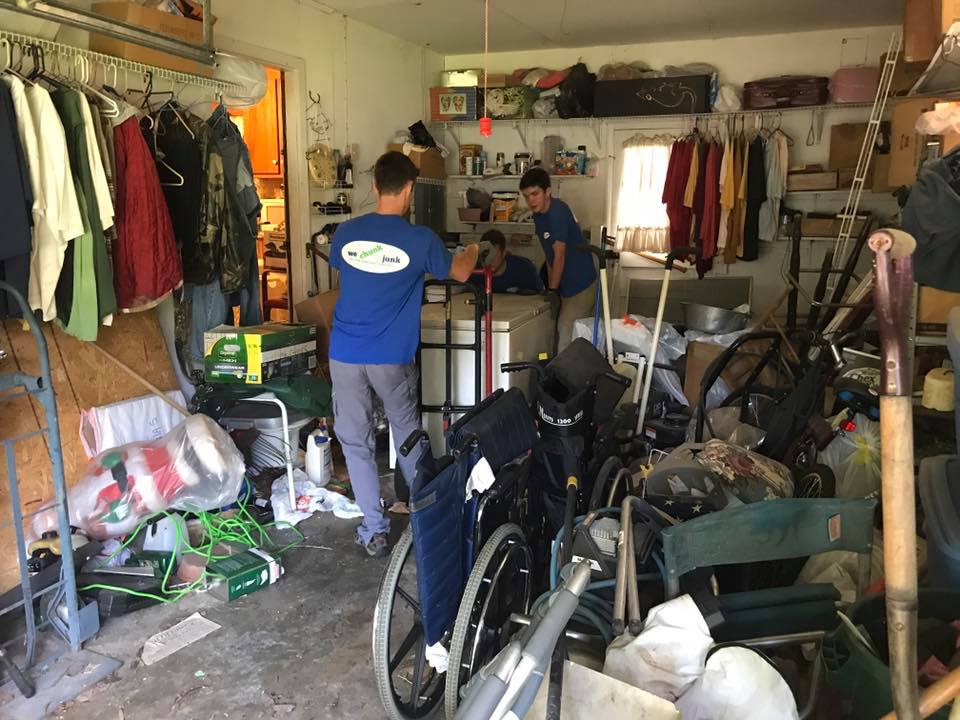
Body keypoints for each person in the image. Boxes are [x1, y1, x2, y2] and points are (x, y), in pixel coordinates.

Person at [329, 151, 479, 557]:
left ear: (374, 185)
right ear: (410, 188)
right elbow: (460, 273)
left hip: (343, 352)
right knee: (407, 437)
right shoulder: (421, 239)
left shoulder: (345, 233)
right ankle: (427, 519)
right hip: (389, 355)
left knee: (356, 443)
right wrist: (473, 251)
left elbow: (356, 272)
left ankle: (373, 530)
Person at [520, 167, 597, 351]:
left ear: (548, 191)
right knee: (552, 331)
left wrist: (553, 290)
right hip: (564, 284)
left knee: (566, 331)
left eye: (535, 194)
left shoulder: (558, 212)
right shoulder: (538, 216)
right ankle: (551, 374)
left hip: (581, 285)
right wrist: (551, 289)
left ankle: (564, 378)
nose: (531, 200)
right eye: (526, 196)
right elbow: (550, 256)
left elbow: (560, 254)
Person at [471, 229, 543, 294]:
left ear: (504, 253)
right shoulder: (473, 271)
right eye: (485, 255)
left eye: (494, 255)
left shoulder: (525, 269)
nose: (489, 260)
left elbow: (540, 297)